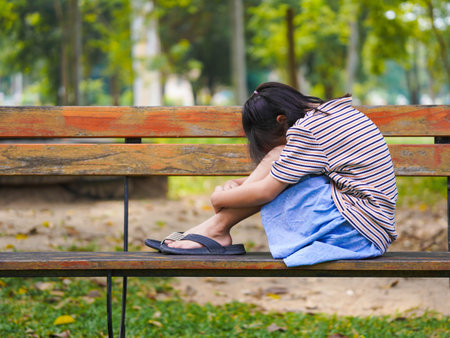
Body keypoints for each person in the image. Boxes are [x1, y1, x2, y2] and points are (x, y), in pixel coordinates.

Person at [145, 82, 398, 267]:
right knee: (281, 157)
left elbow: (268, 190)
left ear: (281, 120)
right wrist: (241, 184)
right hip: (367, 227)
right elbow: (298, 171)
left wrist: (219, 199)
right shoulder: (331, 114)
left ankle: (214, 229)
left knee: (279, 153)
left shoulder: (308, 130)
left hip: (354, 231)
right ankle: (213, 230)